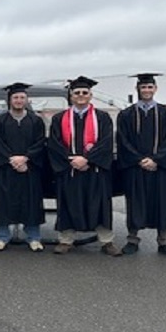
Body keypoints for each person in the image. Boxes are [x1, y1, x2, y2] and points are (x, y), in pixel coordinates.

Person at [47, 76, 121, 256]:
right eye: (77, 93)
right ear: (71, 96)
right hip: (69, 170)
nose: (81, 96)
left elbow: (106, 142)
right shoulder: (60, 118)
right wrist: (72, 160)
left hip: (95, 170)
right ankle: (66, 240)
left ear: (90, 95)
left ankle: (106, 241)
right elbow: (54, 144)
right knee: (68, 204)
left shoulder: (102, 117)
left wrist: (87, 160)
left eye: (84, 93)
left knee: (100, 205)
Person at [116, 73, 166, 257]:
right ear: (137, 89)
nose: (146, 90)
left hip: (160, 168)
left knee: (163, 203)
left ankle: (164, 241)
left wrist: (156, 160)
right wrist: (139, 160)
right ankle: (132, 240)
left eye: (149, 87)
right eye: (143, 87)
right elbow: (123, 140)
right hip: (135, 168)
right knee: (135, 203)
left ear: (155, 89)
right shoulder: (126, 114)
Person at [0, 82, 47, 252]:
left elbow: (40, 142)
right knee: (4, 202)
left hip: (30, 168)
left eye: (22, 97)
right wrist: (12, 159)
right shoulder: (0, 121)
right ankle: (2, 237)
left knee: (31, 203)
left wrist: (26, 158)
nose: (19, 100)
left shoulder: (36, 120)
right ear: (10, 99)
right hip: (6, 168)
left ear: (27, 100)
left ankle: (34, 237)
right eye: (15, 97)